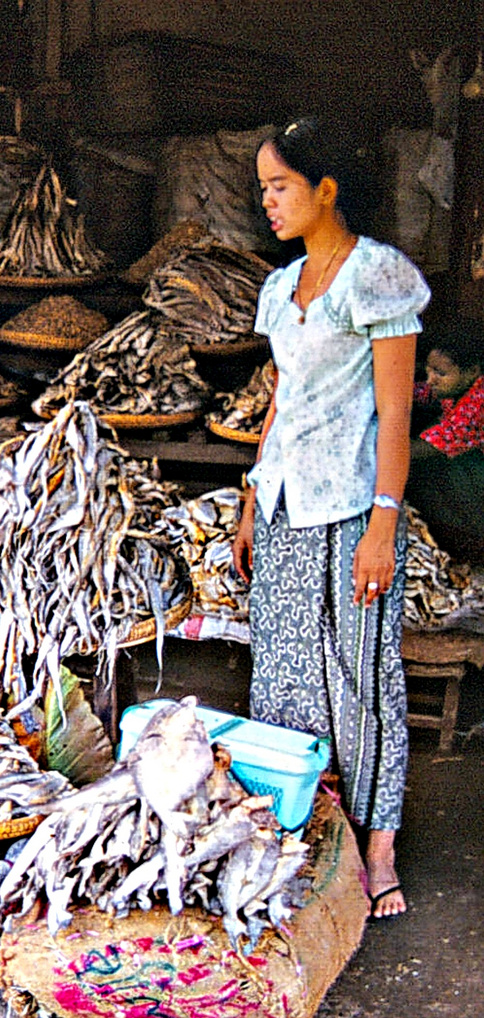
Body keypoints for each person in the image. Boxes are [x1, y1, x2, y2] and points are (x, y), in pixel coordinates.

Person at [234, 116, 429, 922]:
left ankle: (377, 852)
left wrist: (384, 523)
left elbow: (393, 416)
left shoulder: (377, 279)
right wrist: (251, 498)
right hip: (285, 503)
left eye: (280, 186)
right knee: (281, 677)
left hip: (351, 509)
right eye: (264, 189)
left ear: (326, 188)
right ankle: (308, 832)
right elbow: (283, 399)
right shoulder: (281, 287)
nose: (269, 202)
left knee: (359, 680)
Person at [407, 321, 484, 562]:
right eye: (429, 371)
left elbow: (424, 448)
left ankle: (472, 544)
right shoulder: (454, 386)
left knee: (424, 473)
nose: (431, 379)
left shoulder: (477, 403)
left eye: (439, 373)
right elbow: (421, 393)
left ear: (472, 371)